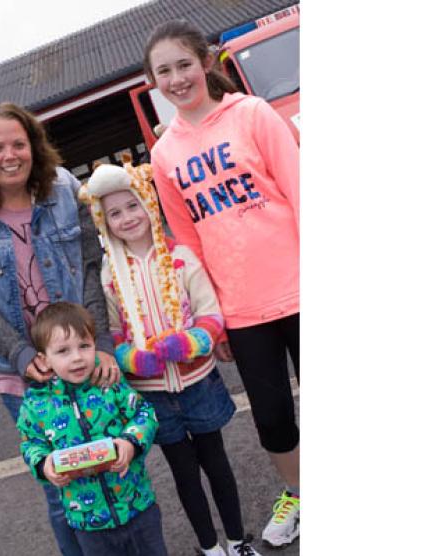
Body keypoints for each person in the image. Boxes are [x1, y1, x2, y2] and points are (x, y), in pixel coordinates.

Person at [142, 20, 301, 548]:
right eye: (163, 71)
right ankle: (299, 494)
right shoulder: (164, 155)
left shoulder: (252, 115)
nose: (177, 78)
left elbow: (300, 190)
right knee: (274, 419)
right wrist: (211, 318)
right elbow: (184, 242)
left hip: (301, 285)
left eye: (183, 64)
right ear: (153, 82)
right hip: (241, 307)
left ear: (206, 62)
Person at [0, 102, 121, 556]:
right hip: (16, 374)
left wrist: (99, 343)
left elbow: (89, 264)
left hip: (81, 359)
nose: (10, 155)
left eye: (18, 144)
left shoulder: (63, 190)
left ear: (33, 146)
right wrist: (21, 355)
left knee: (112, 474)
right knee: (61, 488)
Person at [80, 161, 262, 556]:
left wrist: (188, 343)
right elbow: (111, 331)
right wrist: (130, 358)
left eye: (132, 206)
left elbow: (211, 313)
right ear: (103, 221)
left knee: (216, 462)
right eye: (114, 213)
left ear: (149, 203)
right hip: (152, 394)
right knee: (184, 473)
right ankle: (210, 547)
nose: (126, 218)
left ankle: (236, 540)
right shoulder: (111, 272)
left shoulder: (181, 256)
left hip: (199, 383)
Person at [17, 301, 167, 556]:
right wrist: (44, 464)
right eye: (63, 351)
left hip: (138, 506)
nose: (77, 357)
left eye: (84, 346)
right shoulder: (36, 403)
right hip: (87, 522)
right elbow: (30, 443)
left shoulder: (109, 383)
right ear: (45, 359)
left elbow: (144, 413)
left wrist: (130, 443)